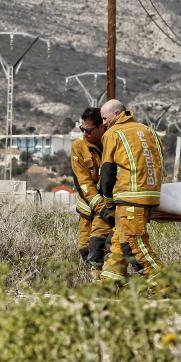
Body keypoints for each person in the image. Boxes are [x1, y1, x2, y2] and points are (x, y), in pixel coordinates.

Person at [98, 99, 165, 283]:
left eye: (105, 118)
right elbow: (160, 159)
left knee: (134, 244)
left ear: (117, 114)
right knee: (119, 241)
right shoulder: (147, 130)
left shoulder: (113, 132)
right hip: (150, 192)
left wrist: (108, 200)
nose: (103, 123)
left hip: (129, 196)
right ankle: (110, 283)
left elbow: (107, 171)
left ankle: (163, 284)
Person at [69, 107, 112, 278]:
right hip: (90, 210)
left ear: (101, 127)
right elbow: (83, 183)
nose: (84, 133)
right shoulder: (78, 147)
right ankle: (92, 283)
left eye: (88, 130)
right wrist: (101, 208)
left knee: (105, 246)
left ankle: (108, 282)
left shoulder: (112, 141)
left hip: (109, 209)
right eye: (82, 129)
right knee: (85, 249)